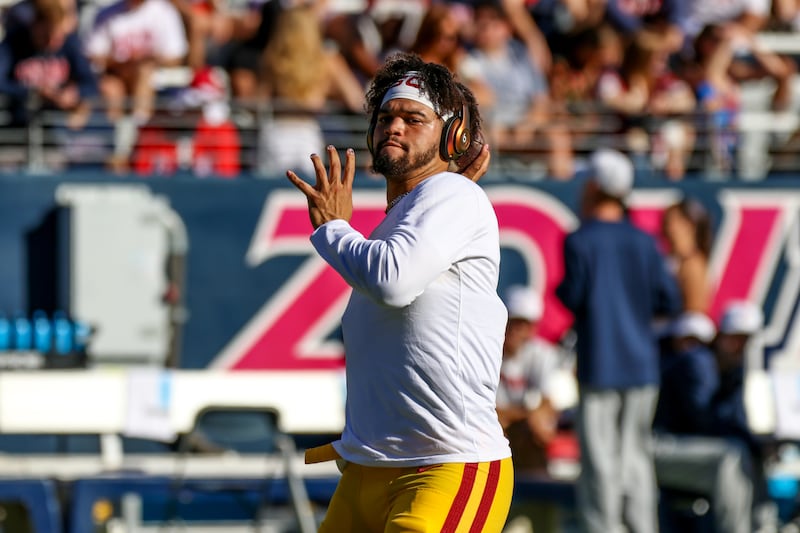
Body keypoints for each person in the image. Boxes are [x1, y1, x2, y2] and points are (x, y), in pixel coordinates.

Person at [287, 51, 511, 532]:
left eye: (414, 118)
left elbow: (393, 281)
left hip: (445, 467)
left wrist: (334, 229)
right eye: (386, 116)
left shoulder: (454, 195)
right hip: (370, 469)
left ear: (454, 136)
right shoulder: (416, 212)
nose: (395, 126)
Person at [555, 148, 683, 533]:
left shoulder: (581, 241)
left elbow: (572, 295)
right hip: (642, 366)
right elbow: (669, 299)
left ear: (594, 186)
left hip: (600, 364)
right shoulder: (644, 242)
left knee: (600, 464)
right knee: (636, 460)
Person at [653, 311, 756, 533]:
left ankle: (763, 526)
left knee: (744, 455)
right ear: (718, 338)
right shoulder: (696, 362)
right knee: (732, 457)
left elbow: (733, 420)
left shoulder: (731, 369)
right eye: (734, 338)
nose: (739, 345)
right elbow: (704, 420)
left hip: (682, 448)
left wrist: (757, 445)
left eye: (745, 340)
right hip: (660, 445)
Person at [256, 3, 364, 178]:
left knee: (269, 191)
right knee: (307, 196)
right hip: (306, 134)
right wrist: (331, 96)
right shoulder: (328, 60)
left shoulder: (271, 58)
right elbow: (356, 100)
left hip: (276, 133)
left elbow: (260, 102)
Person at [496, 285, 565, 533]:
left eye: (523, 323)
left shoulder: (543, 355)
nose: (516, 330)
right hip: (507, 467)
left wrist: (512, 418)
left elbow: (545, 413)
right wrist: (528, 417)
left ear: (533, 328)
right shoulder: (488, 353)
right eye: (512, 322)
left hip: (531, 466)